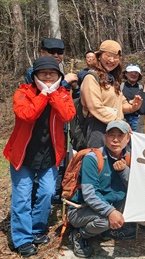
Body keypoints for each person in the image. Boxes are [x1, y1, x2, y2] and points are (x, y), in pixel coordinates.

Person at [4, 56, 76, 257]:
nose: (47, 77)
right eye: (43, 73)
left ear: (59, 76)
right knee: (22, 198)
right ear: (34, 75)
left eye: (52, 74)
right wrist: (44, 94)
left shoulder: (62, 94)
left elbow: (68, 115)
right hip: (23, 156)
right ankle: (23, 239)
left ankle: (37, 229)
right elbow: (26, 114)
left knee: (46, 193)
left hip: (50, 155)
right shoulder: (23, 92)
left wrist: (53, 95)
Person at [68, 120, 134, 258]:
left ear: (127, 138)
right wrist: (111, 212)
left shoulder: (128, 158)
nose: (115, 140)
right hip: (81, 209)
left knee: (122, 209)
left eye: (120, 136)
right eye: (111, 135)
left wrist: (123, 171)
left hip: (110, 206)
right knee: (106, 221)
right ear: (105, 137)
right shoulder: (93, 158)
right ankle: (79, 235)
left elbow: (134, 187)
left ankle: (105, 230)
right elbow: (89, 195)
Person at [80, 40, 142, 148]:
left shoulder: (112, 79)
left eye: (116, 57)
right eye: (108, 56)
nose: (112, 60)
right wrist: (119, 121)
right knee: (99, 161)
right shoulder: (91, 77)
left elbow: (122, 104)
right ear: (99, 56)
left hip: (116, 127)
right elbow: (95, 107)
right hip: (98, 128)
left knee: (117, 162)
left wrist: (133, 106)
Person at [122, 63, 143, 131]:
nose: (134, 74)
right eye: (131, 72)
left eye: (136, 73)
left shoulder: (141, 88)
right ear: (126, 74)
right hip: (122, 116)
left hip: (136, 118)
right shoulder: (120, 86)